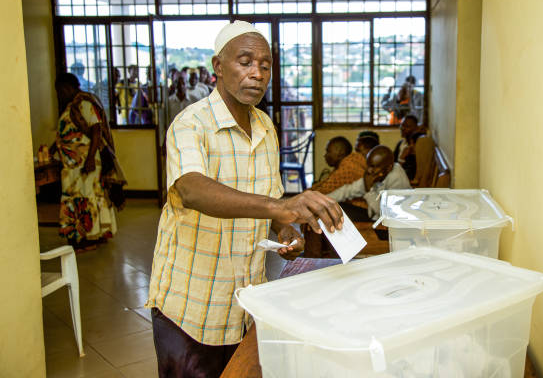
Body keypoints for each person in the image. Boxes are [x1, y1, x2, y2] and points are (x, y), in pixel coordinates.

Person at [145, 21, 343, 378]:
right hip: (191, 304)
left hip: (246, 303)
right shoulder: (190, 125)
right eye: (245, 61)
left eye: (265, 65)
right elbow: (192, 188)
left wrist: (285, 229)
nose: (257, 73)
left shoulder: (265, 127)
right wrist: (280, 208)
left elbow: (271, 199)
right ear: (218, 67)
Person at [51, 73, 126, 251]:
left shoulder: (83, 103)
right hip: (73, 165)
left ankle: (89, 236)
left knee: (88, 198)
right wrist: (53, 148)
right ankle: (84, 234)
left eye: (60, 90)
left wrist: (91, 158)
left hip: (86, 163)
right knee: (80, 197)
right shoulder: (71, 106)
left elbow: (96, 130)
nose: (59, 94)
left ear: (69, 87)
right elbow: (67, 132)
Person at [327, 145, 411, 222]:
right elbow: (347, 191)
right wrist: (324, 200)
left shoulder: (397, 178)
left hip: (390, 222)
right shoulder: (376, 174)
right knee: (337, 207)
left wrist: (369, 190)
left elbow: (387, 214)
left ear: (389, 168)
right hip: (375, 216)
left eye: (374, 166)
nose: (369, 170)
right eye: (368, 165)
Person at [393, 115, 435, 187]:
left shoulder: (414, 150)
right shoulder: (401, 143)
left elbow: (411, 173)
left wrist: (402, 158)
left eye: (407, 126)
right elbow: (393, 162)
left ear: (416, 129)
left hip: (402, 181)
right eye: (402, 125)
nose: (402, 128)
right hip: (394, 175)